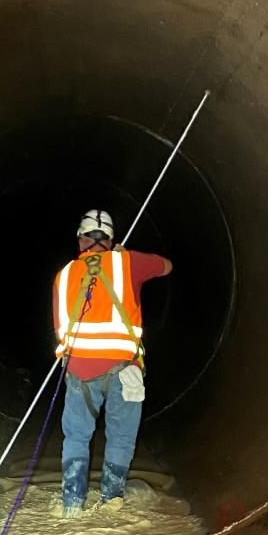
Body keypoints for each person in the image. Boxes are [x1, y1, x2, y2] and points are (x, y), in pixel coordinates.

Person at [53, 209, 172, 517]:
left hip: (79, 371)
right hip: (125, 371)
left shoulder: (63, 275)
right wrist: (124, 254)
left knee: (77, 437)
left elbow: (59, 329)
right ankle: (111, 501)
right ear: (110, 239)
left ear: (80, 240)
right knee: (120, 436)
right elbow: (167, 266)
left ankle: (72, 507)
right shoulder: (127, 263)